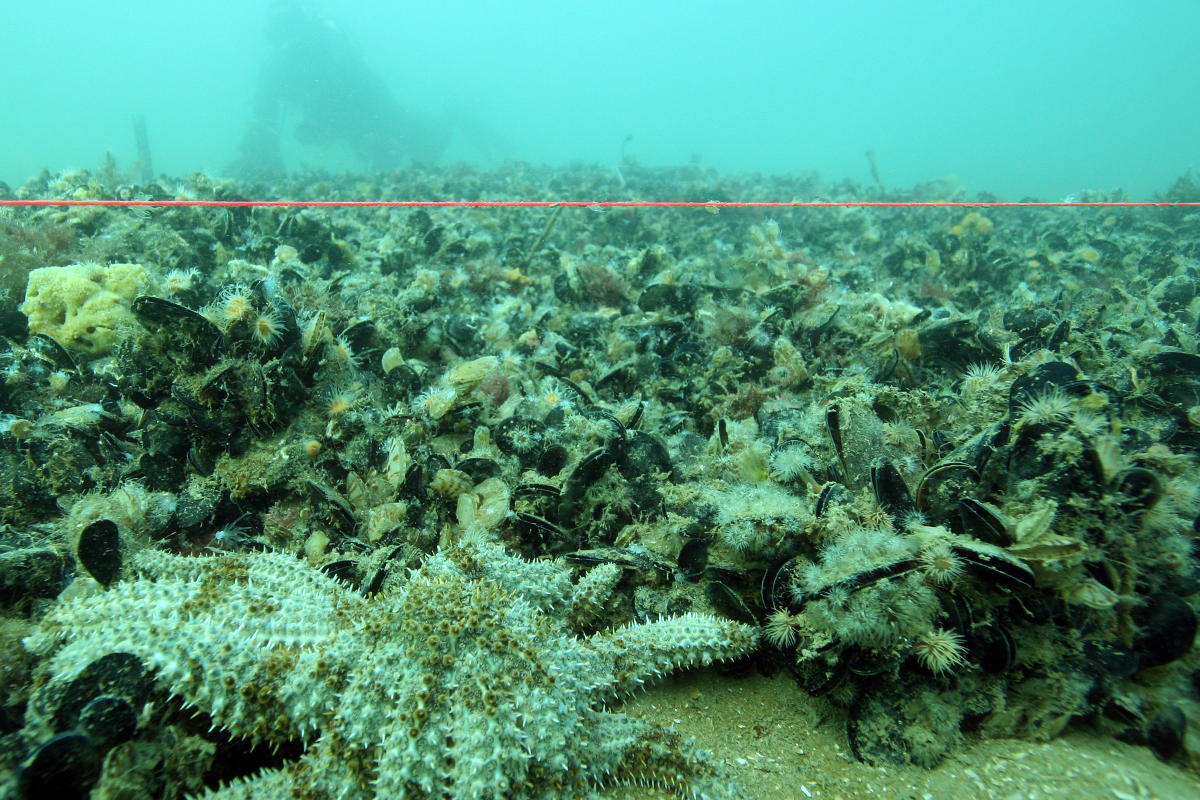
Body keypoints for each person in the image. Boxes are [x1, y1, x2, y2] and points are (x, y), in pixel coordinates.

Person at [228, 1, 451, 180]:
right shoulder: (276, 66)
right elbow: (262, 118)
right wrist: (258, 148)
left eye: (290, 21)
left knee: (422, 144)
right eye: (280, 23)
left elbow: (361, 94)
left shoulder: (329, 46)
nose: (287, 30)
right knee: (398, 146)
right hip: (351, 120)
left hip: (371, 113)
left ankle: (451, 117)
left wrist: (320, 125)